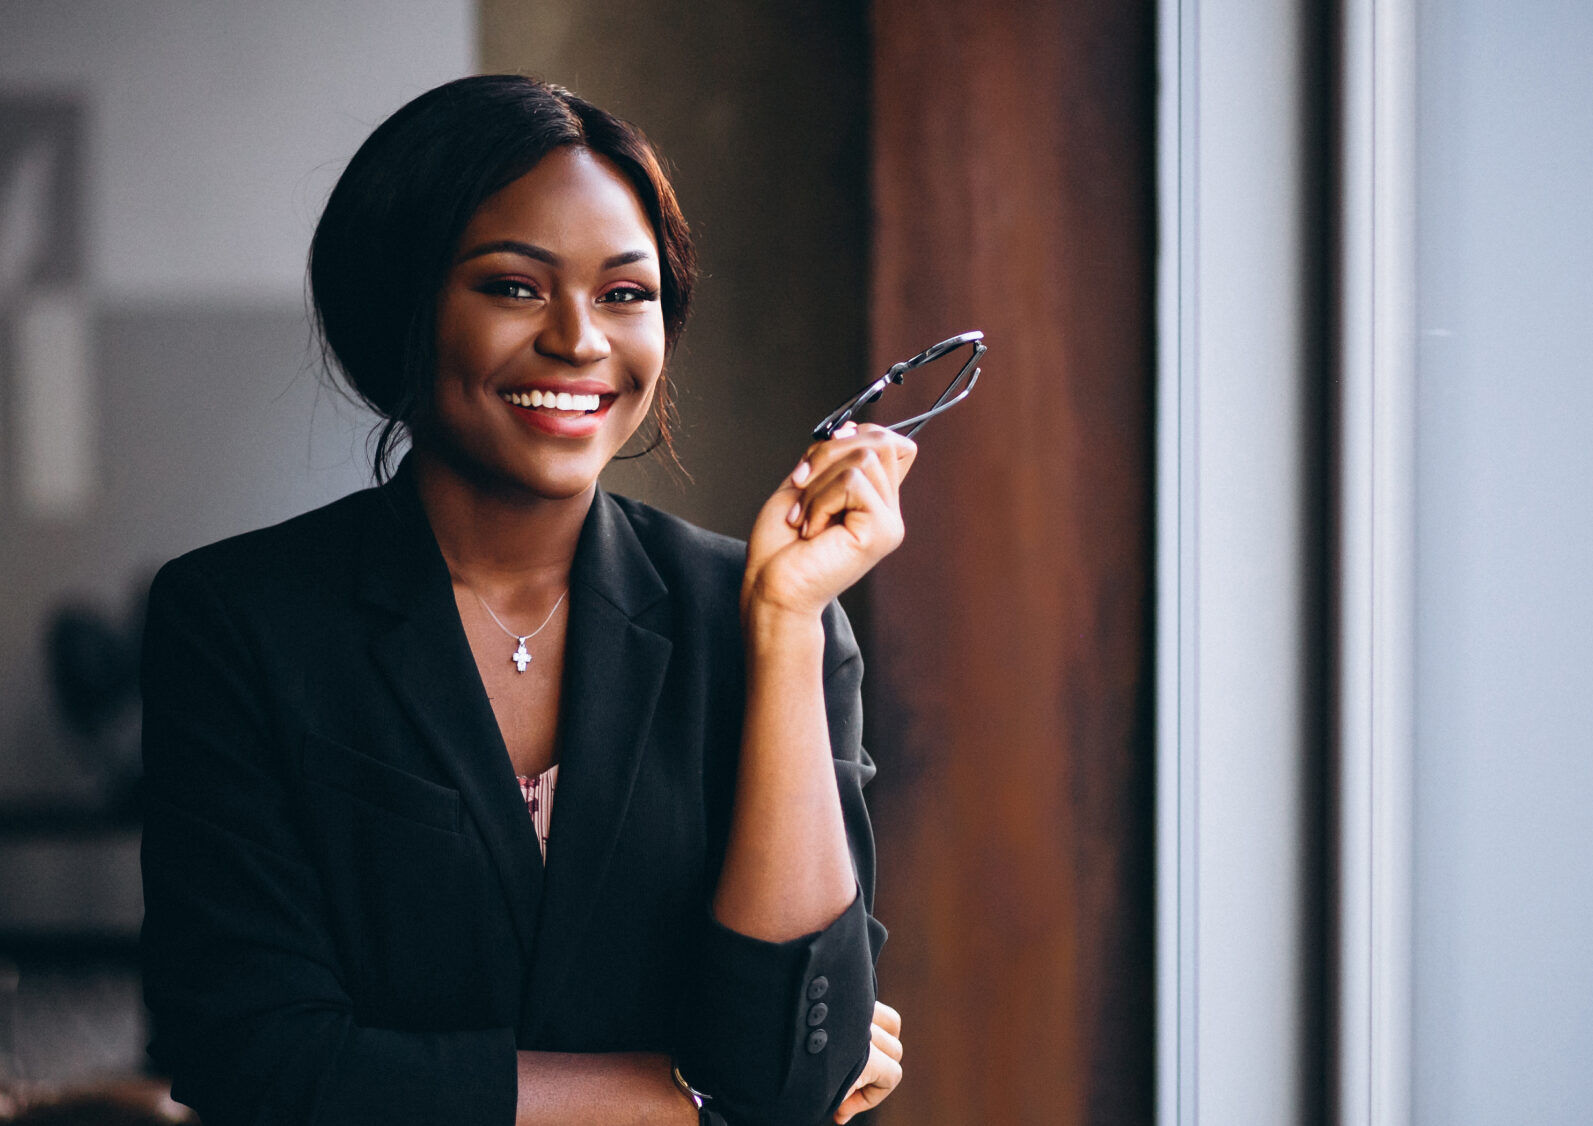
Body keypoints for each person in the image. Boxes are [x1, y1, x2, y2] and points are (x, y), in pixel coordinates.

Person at [138, 75, 910, 1126]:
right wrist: (690, 1097)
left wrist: (781, 629)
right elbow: (254, 1058)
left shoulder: (767, 620)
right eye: (514, 286)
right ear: (402, 303)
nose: (580, 339)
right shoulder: (238, 620)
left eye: (625, 294)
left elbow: (795, 1067)